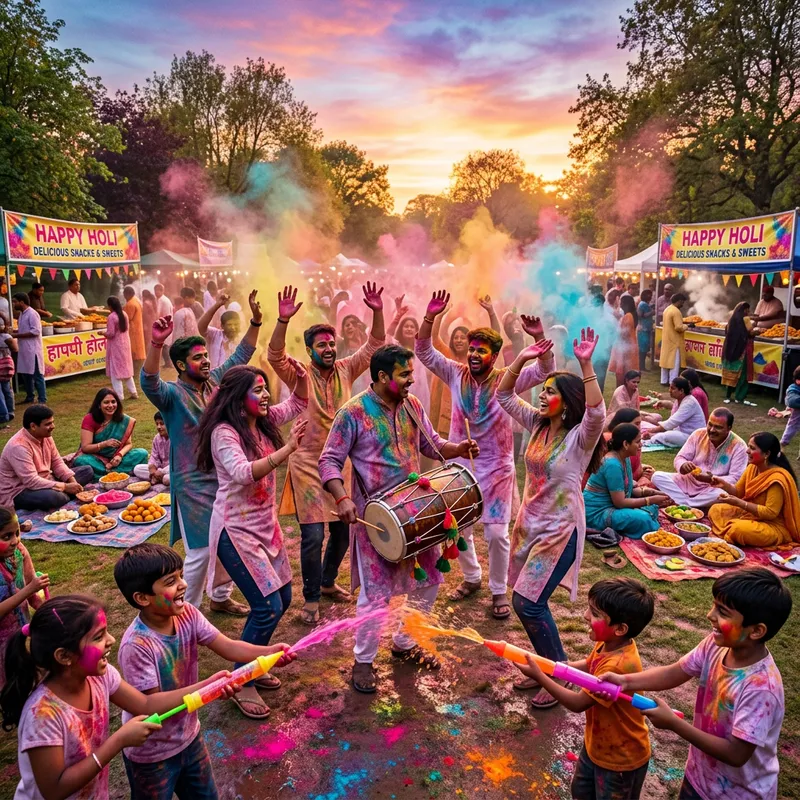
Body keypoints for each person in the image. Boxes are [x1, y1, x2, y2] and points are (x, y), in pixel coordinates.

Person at [319, 344, 479, 694]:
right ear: (382, 376)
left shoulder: (412, 405)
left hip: (418, 512)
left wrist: (457, 449)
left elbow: (431, 444)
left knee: (430, 581)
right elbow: (329, 460)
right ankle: (363, 660)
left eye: (411, 373)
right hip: (377, 518)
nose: (411, 380)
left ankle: (404, 642)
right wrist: (342, 498)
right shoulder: (353, 412)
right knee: (375, 594)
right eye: (405, 374)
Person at [0, 595, 241, 800]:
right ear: (64, 656)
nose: (112, 640)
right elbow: (54, 789)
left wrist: (206, 686)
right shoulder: (42, 716)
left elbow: (145, 703)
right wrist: (118, 741)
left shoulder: (100, 678)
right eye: (98, 637)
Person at [418, 291, 556, 620]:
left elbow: (543, 372)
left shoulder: (505, 380)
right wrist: (430, 317)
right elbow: (423, 351)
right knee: (459, 528)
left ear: (494, 356)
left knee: (496, 533)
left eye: (481, 350)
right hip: (460, 465)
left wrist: (538, 338)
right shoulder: (455, 372)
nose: (474, 354)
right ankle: (471, 577)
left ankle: (498, 590)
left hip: (497, 466)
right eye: (472, 349)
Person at [599, 568, 792, 800]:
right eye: (714, 606)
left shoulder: (761, 688)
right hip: (699, 777)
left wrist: (674, 724)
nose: (710, 615)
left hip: (738, 794)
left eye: (722, 611)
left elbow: (736, 754)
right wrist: (625, 680)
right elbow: (675, 672)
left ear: (757, 631)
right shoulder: (715, 645)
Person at [114, 547, 293, 788]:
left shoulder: (188, 614)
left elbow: (228, 646)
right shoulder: (136, 646)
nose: (183, 584)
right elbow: (149, 704)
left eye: (180, 576)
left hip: (190, 736)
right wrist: (208, 687)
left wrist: (268, 652)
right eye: (171, 581)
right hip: (152, 753)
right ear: (143, 598)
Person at [497, 329, 606, 708]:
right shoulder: (537, 425)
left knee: (528, 603)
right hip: (529, 525)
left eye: (550, 392)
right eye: (542, 391)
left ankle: (558, 672)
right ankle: (547, 668)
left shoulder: (580, 438)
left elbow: (597, 413)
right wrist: (522, 358)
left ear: (567, 402)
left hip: (560, 531)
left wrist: (586, 365)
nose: (542, 397)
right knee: (523, 601)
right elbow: (503, 395)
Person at [140, 290, 264, 616]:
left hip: (223, 476)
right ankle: (186, 612)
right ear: (181, 365)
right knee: (200, 552)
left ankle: (220, 596)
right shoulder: (172, 395)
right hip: (193, 483)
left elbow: (241, 355)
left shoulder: (215, 384)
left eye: (206, 355)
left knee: (228, 539)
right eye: (198, 358)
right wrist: (156, 344)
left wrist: (256, 321)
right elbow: (149, 382)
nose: (206, 361)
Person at [268, 283, 385, 625]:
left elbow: (375, 345)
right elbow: (275, 356)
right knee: (313, 535)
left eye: (332, 343)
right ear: (310, 350)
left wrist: (378, 311)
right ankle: (311, 598)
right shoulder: (299, 373)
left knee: (343, 532)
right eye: (322, 345)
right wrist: (282, 320)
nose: (329, 349)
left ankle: (328, 580)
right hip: (306, 462)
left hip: (341, 461)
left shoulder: (346, 368)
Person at [196, 366, 307, 717]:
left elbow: (298, 402)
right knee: (266, 607)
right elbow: (243, 473)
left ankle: (256, 666)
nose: (265, 395)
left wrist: (300, 375)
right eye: (256, 390)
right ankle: (243, 681)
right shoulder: (224, 433)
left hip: (266, 528)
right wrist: (288, 449)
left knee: (283, 599)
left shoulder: (262, 419)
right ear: (237, 398)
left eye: (265, 388)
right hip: (236, 531)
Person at [516, 578, 655, 798]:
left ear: (620, 628)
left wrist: (540, 676)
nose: (585, 615)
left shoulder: (618, 666)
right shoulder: (610, 643)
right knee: (580, 792)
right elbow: (590, 664)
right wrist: (554, 667)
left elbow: (577, 703)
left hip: (621, 759)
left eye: (595, 613)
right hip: (597, 746)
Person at [708, 432, 800, 547]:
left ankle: (732, 531)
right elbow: (738, 492)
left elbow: (770, 513)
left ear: (766, 454)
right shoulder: (752, 467)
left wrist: (739, 503)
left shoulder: (777, 479)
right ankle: (731, 531)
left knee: (738, 529)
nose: (747, 451)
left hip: (771, 525)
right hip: (749, 515)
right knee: (716, 510)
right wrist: (724, 485)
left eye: (752, 448)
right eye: (748, 446)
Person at [0, 405, 93, 511]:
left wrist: (72, 482)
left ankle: (66, 494)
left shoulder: (45, 435)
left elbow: (57, 462)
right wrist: (65, 487)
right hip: (20, 490)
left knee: (87, 471)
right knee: (56, 497)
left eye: (52, 422)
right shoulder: (18, 446)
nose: (53, 426)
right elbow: (31, 481)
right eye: (48, 424)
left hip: (47, 480)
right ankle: (64, 495)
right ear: (33, 426)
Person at [584, 423, 669, 538]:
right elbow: (620, 502)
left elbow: (627, 490)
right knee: (644, 519)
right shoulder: (612, 464)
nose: (641, 445)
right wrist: (650, 500)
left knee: (652, 508)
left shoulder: (625, 458)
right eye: (637, 442)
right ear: (625, 444)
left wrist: (654, 493)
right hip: (598, 513)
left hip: (615, 506)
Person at [651, 408, 749, 508]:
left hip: (712, 487)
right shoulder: (698, 434)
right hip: (688, 481)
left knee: (721, 494)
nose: (712, 430)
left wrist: (711, 479)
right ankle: (686, 502)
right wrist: (684, 465)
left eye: (718, 427)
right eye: (710, 424)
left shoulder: (739, 446)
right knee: (657, 476)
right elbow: (680, 457)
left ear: (729, 428)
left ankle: (683, 502)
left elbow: (735, 478)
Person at [0, 507, 48, 689]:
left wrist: (49, 610)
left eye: (17, 533)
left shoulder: (19, 552)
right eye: (6, 536)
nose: (15, 541)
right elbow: (29, 589)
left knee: (22, 674)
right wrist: (28, 590)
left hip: (18, 630)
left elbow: (31, 588)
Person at [72, 389, 149, 481]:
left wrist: (119, 456)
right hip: (95, 458)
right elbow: (85, 447)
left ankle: (107, 474)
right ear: (99, 405)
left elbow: (128, 444)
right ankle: (118, 473)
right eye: (106, 402)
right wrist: (104, 444)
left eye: (113, 402)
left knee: (142, 453)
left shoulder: (123, 419)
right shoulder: (90, 419)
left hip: (116, 459)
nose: (111, 405)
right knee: (81, 461)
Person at [641, 376, 705, 448]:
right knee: (664, 433)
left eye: (672, 388)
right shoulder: (680, 400)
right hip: (680, 433)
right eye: (670, 388)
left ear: (681, 391)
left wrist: (651, 430)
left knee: (662, 436)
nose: (669, 390)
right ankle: (654, 436)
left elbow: (671, 423)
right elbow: (672, 421)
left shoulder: (689, 402)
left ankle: (651, 438)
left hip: (692, 436)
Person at [99, 296, 138, 400]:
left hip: (116, 346)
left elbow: (111, 333)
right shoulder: (124, 314)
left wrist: (103, 333)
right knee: (126, 369)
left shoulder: (111, 317)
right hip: (125, 344)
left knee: (115, 371)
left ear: (110, 306)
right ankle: (134, 392)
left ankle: (119, 396)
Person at [12, 293, 46, 404]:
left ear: (22, 302)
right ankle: (30, 396)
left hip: (33, 350)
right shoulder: (22, 314)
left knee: (37, 375)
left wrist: (16, 335)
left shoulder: (32, 314)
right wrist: (13, 332)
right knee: (26, 374)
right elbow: (24, 330)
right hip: (24, 349)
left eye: (15, 302)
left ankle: (42, 399)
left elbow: (35, 331)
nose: (13, 304)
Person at [721, 302, 757, 406]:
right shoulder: (746, 319)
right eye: (747, 309)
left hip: (729, 351)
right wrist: (758, 330)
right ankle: (739, 397)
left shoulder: (731, 320)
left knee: (730, 373)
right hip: (742, 351)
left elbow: (727, 332)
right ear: (744, 310)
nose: (748, 311)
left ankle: (728, 396)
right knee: (743, 374)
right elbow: (751, 332)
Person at [198, 294, 241, 370]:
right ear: (222, 326)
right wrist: (217, 305)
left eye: (236, 324)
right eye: (229, 324)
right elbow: (201, 327)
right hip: (213, 376)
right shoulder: (215, 335)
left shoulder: (242, 341)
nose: (233, 327)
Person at [608, 294, 639, 387]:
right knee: (624, 373)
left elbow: (624, 333)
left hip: (625, 349)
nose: (620, 305)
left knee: (622, 374)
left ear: (626, 304)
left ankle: (622, 393)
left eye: (621, 303)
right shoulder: (630, 315)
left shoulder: (628, 316)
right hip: (627, 347)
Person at [134, 411, 170, 486]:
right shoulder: (157, 438)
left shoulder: (177, 439)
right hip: (159, 469)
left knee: (167, 479)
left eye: (162, 424)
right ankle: (157, 477)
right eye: (157, 424)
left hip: (172, 470)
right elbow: (154, 456)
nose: (158, 427)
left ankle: (158, 478)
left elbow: (178, 464)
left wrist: (162, 472)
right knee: (137, 469)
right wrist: (152, 469)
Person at [659, 292, 687, 384]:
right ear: (679, 301)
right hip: (674, 341)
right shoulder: (676, 311)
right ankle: (673, 382)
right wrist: (687, 326)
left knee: (665, 362)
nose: (682, 304)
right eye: (682, 302)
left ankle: (663, 380)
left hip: (667, 339)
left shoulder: (667, 309)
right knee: (674, 363)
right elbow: (678, 327)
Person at [123, 286, 147, 376]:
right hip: (137, 328)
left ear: (127, 294)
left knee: (133, 352)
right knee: (137, 351)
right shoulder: (136, 300)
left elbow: (126, 318)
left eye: (124, 294)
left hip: (133, 330)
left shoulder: (130, 304)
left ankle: (134, 372)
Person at [0, 317, 17, 426]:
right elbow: (15, 349)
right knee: (7, 388)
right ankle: (10, 411)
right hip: (6, 365)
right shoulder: (6, 337)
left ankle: (3, 414)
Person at [779, 365, 800, 450]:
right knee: (792, 426)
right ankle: (782, 444)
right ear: (798, 381)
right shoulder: (793, 389)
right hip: (797, 414)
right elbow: (792, 401)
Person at [154, 285, 174, 368]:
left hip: (165, 324)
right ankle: (167, 363)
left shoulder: (163, 300)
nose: (155, 292)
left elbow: (165, 315)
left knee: (165, 345)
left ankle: (168, 363)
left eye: (157, 290)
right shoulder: (162, 299)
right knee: (164, 344)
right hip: (165, 324)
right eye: (155, 290)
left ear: (162, 291)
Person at [637, 289, 655, 371]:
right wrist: (652, 312)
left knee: (644, 349)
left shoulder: (645, 304)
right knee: (643, 349)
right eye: (649, 295)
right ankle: (641, 366)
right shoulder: (642, 304)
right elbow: (640, 315)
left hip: (646, 329)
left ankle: (642, 366)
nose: (651, 296)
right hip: (643, 329)